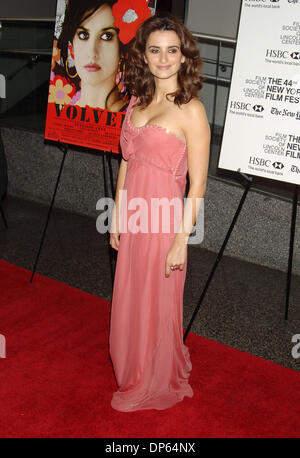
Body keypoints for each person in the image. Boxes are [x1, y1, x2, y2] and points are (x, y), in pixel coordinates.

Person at [109, 12, 211, 412]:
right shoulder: (136, 100)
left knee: (154, 303)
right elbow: (127, 162)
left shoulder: (192, 111)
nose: (164, 59)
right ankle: (133, 366)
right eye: (156, 50)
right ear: (145, 56)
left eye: (172, 50)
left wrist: (180, 242)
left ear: (183, 57)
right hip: (134, 217)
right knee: (130, 298)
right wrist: (117, 215)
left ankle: (150, 378)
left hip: (165, 223)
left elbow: (198, 184)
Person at [56, 0, 129, 111]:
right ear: (72, 46)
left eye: (106, 36)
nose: (92, 52)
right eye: (83, 35)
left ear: (121, 48)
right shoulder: (62, 112)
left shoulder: (132, 118)